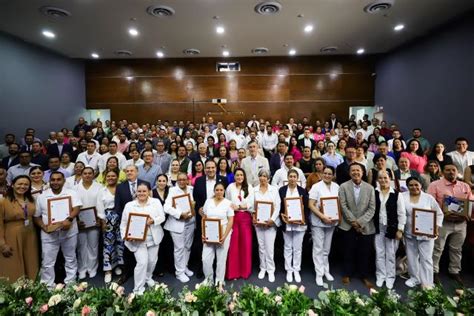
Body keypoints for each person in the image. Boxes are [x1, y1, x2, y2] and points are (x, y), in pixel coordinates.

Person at [33, 171, 82, 288]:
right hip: (49, 234)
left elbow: (76, 208)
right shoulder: (42, 196)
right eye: (53, 180)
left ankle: (71, 284)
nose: (55, 182)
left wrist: (69, 219)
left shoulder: (71, 193)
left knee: (70, 258)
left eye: (58, 179)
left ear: (64, 181)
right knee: (47, 262)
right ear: (49, 181)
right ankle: (47, 286)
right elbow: (36, 216)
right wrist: (43, 227)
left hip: (69, 232)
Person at [428, 164, 473, 285]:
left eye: (453, 170)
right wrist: (443, 213)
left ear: (457, 172)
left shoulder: (465, 186)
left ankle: (454, 271)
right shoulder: (435, 185)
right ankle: (433, 271)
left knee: (457, 249)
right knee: (437, 248)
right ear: (443, 172)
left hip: (461, 223)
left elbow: (470, 203)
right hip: (443, 222)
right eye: (447, 170)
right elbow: (430, 204)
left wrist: (467, 214)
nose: (451, 172)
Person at [120, 182, 165, 294]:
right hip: (137, 241)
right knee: (142, 263)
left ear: (149, 191)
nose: (141, 193)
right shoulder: (129, 205)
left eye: (144, 191)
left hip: (153, 238)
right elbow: (124, 224)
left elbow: (162, 217)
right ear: (136, 192)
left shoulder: (156, 202)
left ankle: (148, 277)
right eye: (139, 191)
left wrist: (153, 220)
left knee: (152, 261)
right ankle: (138, 288)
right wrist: (126, 236)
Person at [338, 163, 376, 288]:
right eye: (353, 170)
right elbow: (343, 205)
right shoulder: (343, 187)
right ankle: (347, 273)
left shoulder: (370, 188)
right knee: (348, 250)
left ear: (363, 172)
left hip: (365, 226)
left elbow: (372, 208)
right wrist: (353, 221)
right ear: (349, 173)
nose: (355, 173)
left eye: (358, 170)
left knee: (364, 252)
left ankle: (364, 275)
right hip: (348, 225)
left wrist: (360, 222)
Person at [402, 177, 443, 289]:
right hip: (409, 232)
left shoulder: (428, 198)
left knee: (426, 258)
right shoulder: (402, 197)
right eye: (411, 185)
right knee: (411, 257)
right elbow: (400, 213)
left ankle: (427, 282)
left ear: (421, 185)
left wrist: (436, 228)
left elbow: (439, 214)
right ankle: (415, 278)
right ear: (407, 186)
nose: (414, 187)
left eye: (416, 185)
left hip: (426, 233)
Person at [114, 165, 150, 284]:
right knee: (127, 250)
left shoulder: (145, 184)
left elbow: (151, 201)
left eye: (132, 170)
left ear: (137, 172)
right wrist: (126, 223)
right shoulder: (120, 187)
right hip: (129, 225)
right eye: (127, 171)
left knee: (145, 253)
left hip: (145, 225)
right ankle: (127, 273)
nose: (129, 172)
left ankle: (146, 275)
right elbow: (118, 206)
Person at [192, 160, 228, 278]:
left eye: (213, 167)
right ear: (204, 169)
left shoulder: (223, 180)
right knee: (202, 243)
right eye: (208, 168)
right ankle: (203, 269)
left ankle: (218, 272)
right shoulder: (198, 181)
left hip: (220, 218)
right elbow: (196, 198)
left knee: (219, 246)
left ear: (216, 168)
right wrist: (198, 209)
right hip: (204, 218)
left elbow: (226, 198)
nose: (210, 170)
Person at [0, 175, 39, 283]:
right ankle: (14, 293)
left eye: (26, 184)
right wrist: (2, 244)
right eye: (20, 184)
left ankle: (31, 290)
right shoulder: (3, 201)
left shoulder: (31, 200)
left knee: (30, 262)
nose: (23, 186)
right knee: (13, 264)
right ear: (12, 185)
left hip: (30, 235)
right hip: (11, 236)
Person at [373, 170, 406, 289]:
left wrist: (400, 230)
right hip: (378, 228)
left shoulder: (397, 194)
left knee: (391, 254)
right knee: (379, 253)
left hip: (392, 228)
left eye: (385, 178)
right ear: (377, 180)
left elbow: (402, 213)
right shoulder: (374, 192)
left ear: (390, 179)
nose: (383, 180)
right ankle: (380, 275)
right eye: (380, 178)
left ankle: (390, 277)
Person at [308, 166, 339, 286]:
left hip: (331, 222)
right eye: (325, 173)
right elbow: (311, 205)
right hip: (318, 222)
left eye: (329, 174)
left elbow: (338, 204)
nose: (327, 175)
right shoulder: (316, 187)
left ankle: (326, 270)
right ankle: (319, 273)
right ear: (322, 174)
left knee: (326, 249)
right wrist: (322, 216)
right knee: (318, 248)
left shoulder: (337, 187)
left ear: (333, 175)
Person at [163, 172, 195, 283]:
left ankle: (184, 266)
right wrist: (180, 213)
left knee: (187, 246)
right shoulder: (172, 191)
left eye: (184, 179)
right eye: (179, 180)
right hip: (177, 224)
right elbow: (166, 207)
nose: (182, 181)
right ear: (177, 181)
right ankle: (179, 272)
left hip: (190, 223)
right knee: (179, 248)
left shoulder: (191, 189)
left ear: (187, 180)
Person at [201, 182, 234, 286]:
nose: (219, 192)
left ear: (224, 191)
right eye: (217, 190)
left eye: (221, 190)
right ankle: (208, 280)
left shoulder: (228, 203)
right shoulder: (208, 201)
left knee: (221, 259)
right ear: (214, 191)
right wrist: (203, 233)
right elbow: (204, 218)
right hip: (209, 233)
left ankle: (219, 281)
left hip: (223, 232)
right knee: (205, 258)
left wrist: (224, 236)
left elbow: (230, 221)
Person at [279, 169, 308, 283]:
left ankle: (296, 269)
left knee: (297, 248)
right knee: (287, 247)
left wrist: (303, 220)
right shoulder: (281, 190)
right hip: (286, 223)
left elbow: (306, 208)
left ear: (297, 178)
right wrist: (282, 215)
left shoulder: (302, 190)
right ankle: (289, 270)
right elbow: (279, 207)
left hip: (299, 224)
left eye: (294, 176)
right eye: (290, 176)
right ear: (287, 178)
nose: (292, 178)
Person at [225, 168, 254, 280]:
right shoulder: (230, 187)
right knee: (233, 245)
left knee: (245, 245)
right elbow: (226, 201)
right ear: (234, 176)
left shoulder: (249, 187)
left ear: (244, 176)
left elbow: (251, 203)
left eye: (241, 175)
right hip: (233, 218)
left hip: (245, 217)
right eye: (237, 175)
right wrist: (232, 206)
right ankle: (233, 273)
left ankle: (244, 272)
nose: (239, 177)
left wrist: (242, 206)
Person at [252, 169, 280, 282]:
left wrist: (272, 219)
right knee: (261, 247)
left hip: (270, 224)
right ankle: (263, 268)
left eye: (265, 176)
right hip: (259, 224)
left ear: (268, 178)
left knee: (269, 248)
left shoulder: (274, 190)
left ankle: (271, 270)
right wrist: (253, 215)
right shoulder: (254, 190)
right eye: (261, 176)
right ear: (258, 177)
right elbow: (251, 206)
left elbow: (278, 206)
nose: (263, 178)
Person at [96, 169, 123, 283]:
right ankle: (108, 270)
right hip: (108, 218)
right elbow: (99, 206)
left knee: (120, 243)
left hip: (121, 218)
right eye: (108, 176)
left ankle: (117, 265)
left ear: (117, 177)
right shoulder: (102, 191)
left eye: (113, 176)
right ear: (105, 178)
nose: (111, 178)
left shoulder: (121, 189)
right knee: (108, 244)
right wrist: (103, 221)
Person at [75, 167, 102, 279]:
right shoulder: (75, 188)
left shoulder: (99, 187)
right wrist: (76, 220)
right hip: (80, 222)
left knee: (93, 245)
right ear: (81, 175)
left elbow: (100, 204)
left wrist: (99, 218)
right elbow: (73, 205)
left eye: (90, 173)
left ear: (93, 174)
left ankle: (92, 268)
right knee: (81, 246)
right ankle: (82, 268)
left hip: (94, 222)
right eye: (85, 173)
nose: (87, 175)